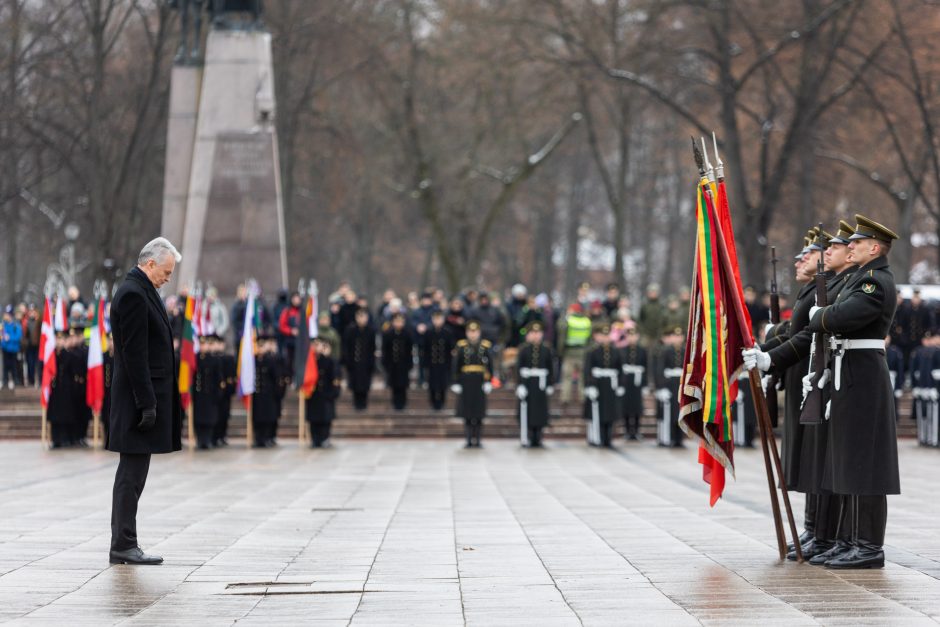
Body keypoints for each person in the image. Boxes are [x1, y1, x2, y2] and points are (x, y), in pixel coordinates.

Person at [803, 214, 901, 569]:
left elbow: (843, 316)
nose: (850, 246)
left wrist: (820, 314)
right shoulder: (860, 278)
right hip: (849, 371)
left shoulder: (875, 281)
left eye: (857, 243)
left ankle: (868, 546)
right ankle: (849, 540)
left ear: (874, 247)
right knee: (849, 459)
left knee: (866, 463)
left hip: (863, 373)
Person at [743, 227, 823, 553]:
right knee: (806, 458)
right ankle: (813, 528)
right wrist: (768, 351)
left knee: (816, 458)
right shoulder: (808, 291)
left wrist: (770, 357)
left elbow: (803, 337)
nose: (800, 260)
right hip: (795, 374)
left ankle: (820, 531)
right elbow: (793, 331)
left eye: (810, 255)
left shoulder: (822, 289)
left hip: (808, 375)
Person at [107, 237, 183, 566]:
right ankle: (123, 544)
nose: (168, 278)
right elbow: (135, 355)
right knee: (131, 474)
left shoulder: (143, 290)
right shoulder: (133, 294)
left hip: (143, 397)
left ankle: (125, 542)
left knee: (135, 474)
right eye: (165, 272)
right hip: (138, 400)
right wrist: (147, 403)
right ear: (150, 263)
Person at [582, 322, 624, 448]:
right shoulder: (592, 351)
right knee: (597, 413)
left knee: (609, 413)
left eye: (607, 335)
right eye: (602, 335)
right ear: (597, 336)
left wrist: (621, 385)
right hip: (597, 385)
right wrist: (589, 386)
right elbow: (587, 369)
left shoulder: (616, 351)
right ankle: (596, 437)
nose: (605, 338)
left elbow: (620, 369)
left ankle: (608, 438)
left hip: (611, 385)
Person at [452, 320, 492, 448]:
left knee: (479, 412)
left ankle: (478, 439)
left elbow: (490, 365)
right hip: (466, 381)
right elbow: (456, 365)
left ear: (479, 332)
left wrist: (489, 381)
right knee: (467, 411)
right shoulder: (462, 346)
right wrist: (456, 382)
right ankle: (469, 439)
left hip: (480, 381)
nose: (473, 334)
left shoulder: (485, 346)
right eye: (470, 332)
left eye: (475, 332)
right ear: (467, 332)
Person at [515, 321, 555, 448]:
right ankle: (528, 436)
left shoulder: (546, 349)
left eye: (538, 333)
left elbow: (551, 368)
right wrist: (520, 384)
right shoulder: (523, 349)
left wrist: (550, 384)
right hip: (528, 384)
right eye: (532, 333)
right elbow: (518, 368)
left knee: (540, 411)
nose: (535, 336)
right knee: (528, 411)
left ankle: (538, 437)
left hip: (541, 384)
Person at [653, 326, 684, 448]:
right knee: (668, 413)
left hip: (680, 385)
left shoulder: (685, 350)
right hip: (669, 384)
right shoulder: (664, 351)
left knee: (680, 413)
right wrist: (661, 387)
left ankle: (679, 439)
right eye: (675, 336)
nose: (677, 338)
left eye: (679, 336)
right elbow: (659, 369)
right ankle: (668, 437)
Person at [306, 338, 341, 448]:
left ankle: (324, 438)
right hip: (313, 394)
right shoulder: (310, 360)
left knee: (325, 419)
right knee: (313, 419)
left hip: (326, 393)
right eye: (314, 345)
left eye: (318, 345)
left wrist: (334, 393)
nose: (316, 347)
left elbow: (335, 375)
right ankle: (314, 439)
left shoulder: (329, 360)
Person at [252, 333, 285, 447]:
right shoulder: (253, 360)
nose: (260, 348)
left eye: (262, 345)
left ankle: (267, 437)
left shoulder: (272, 360)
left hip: (269, 395)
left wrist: (278, 393)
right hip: (257, 394)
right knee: (257, 418)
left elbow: (277, 378)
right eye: (258, 345)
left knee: (268, 418)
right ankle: (258, 438)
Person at [617, 320, 647, 441]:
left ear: (638, 336)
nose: (632, 337)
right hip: (626, 380)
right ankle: (627, 430)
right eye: (630, 335)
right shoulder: (621, 350)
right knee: (626, 406)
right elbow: (619, 367)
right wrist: (619, 383)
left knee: (637, 407)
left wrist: (644, 384)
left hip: (637, 380)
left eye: (634, 335)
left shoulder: (642, 350)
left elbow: (646, 367)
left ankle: (636, 430)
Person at [557, 303, 591, 404]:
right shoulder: (586, 321)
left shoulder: (568, 321)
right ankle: (582, 398)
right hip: (583, 353)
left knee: (567, 377)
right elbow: (589, 339)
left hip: (569, 353)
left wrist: (560, 352)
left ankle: (565, 398)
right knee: (582, 377)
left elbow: (562, 338)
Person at [343, 308, 376, 410]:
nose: (361, 319)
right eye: (359, 316)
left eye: (363, 316)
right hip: (354, 362)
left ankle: (364, 404)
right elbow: (346, 347)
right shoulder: (350, 330)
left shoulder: (371, 331)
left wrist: (371, 362)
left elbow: (372, 348)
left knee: (365, 384)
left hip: (366, 363)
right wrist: (347, 361)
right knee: (355, 384)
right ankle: (356, 404)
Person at [192, 335, 222, 449]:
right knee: (199, 419)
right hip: (199, 395)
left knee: (209, 419)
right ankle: (200, 440)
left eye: (206, 344)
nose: (204, 346)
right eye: (202, 344)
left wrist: (217, 394)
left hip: (210, 394)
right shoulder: (195, 359)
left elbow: (218, 379)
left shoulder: (214, 360)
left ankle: (207, 440)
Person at [381, 312, 413, 411]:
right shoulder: (388, 334)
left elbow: (409, 350)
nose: (399, 323)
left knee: (403, 385)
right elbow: (385, 350)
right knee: (394, 385)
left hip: (403, 365)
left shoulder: (407, 334)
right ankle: (395, 403)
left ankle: (403, 403)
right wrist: (386, 364)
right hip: (392, 364)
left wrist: (409, 364)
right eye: (396, 321)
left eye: (401, 321)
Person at [423, 309, 454, 410]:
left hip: (443, 363)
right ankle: (433, 403)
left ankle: (442, 402)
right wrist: (425, 363)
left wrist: (449, 363)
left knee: (442, 384)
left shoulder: (447, 332)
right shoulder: (428, 332)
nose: (437, 321)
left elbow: (450, 349)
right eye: (435, 319)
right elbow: (425, 349)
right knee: (432, 384)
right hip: (432, 363)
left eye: (439, 319)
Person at [212, 337, 237, 447]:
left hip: (225, 393)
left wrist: (230, 390)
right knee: (214, 415)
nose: (217, 346)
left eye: (220, 343)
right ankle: (214, 436)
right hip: (213, 392)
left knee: (224, 415)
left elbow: (232, 377)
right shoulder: (211, 358)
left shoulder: (228, 359)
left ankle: (222, 435)